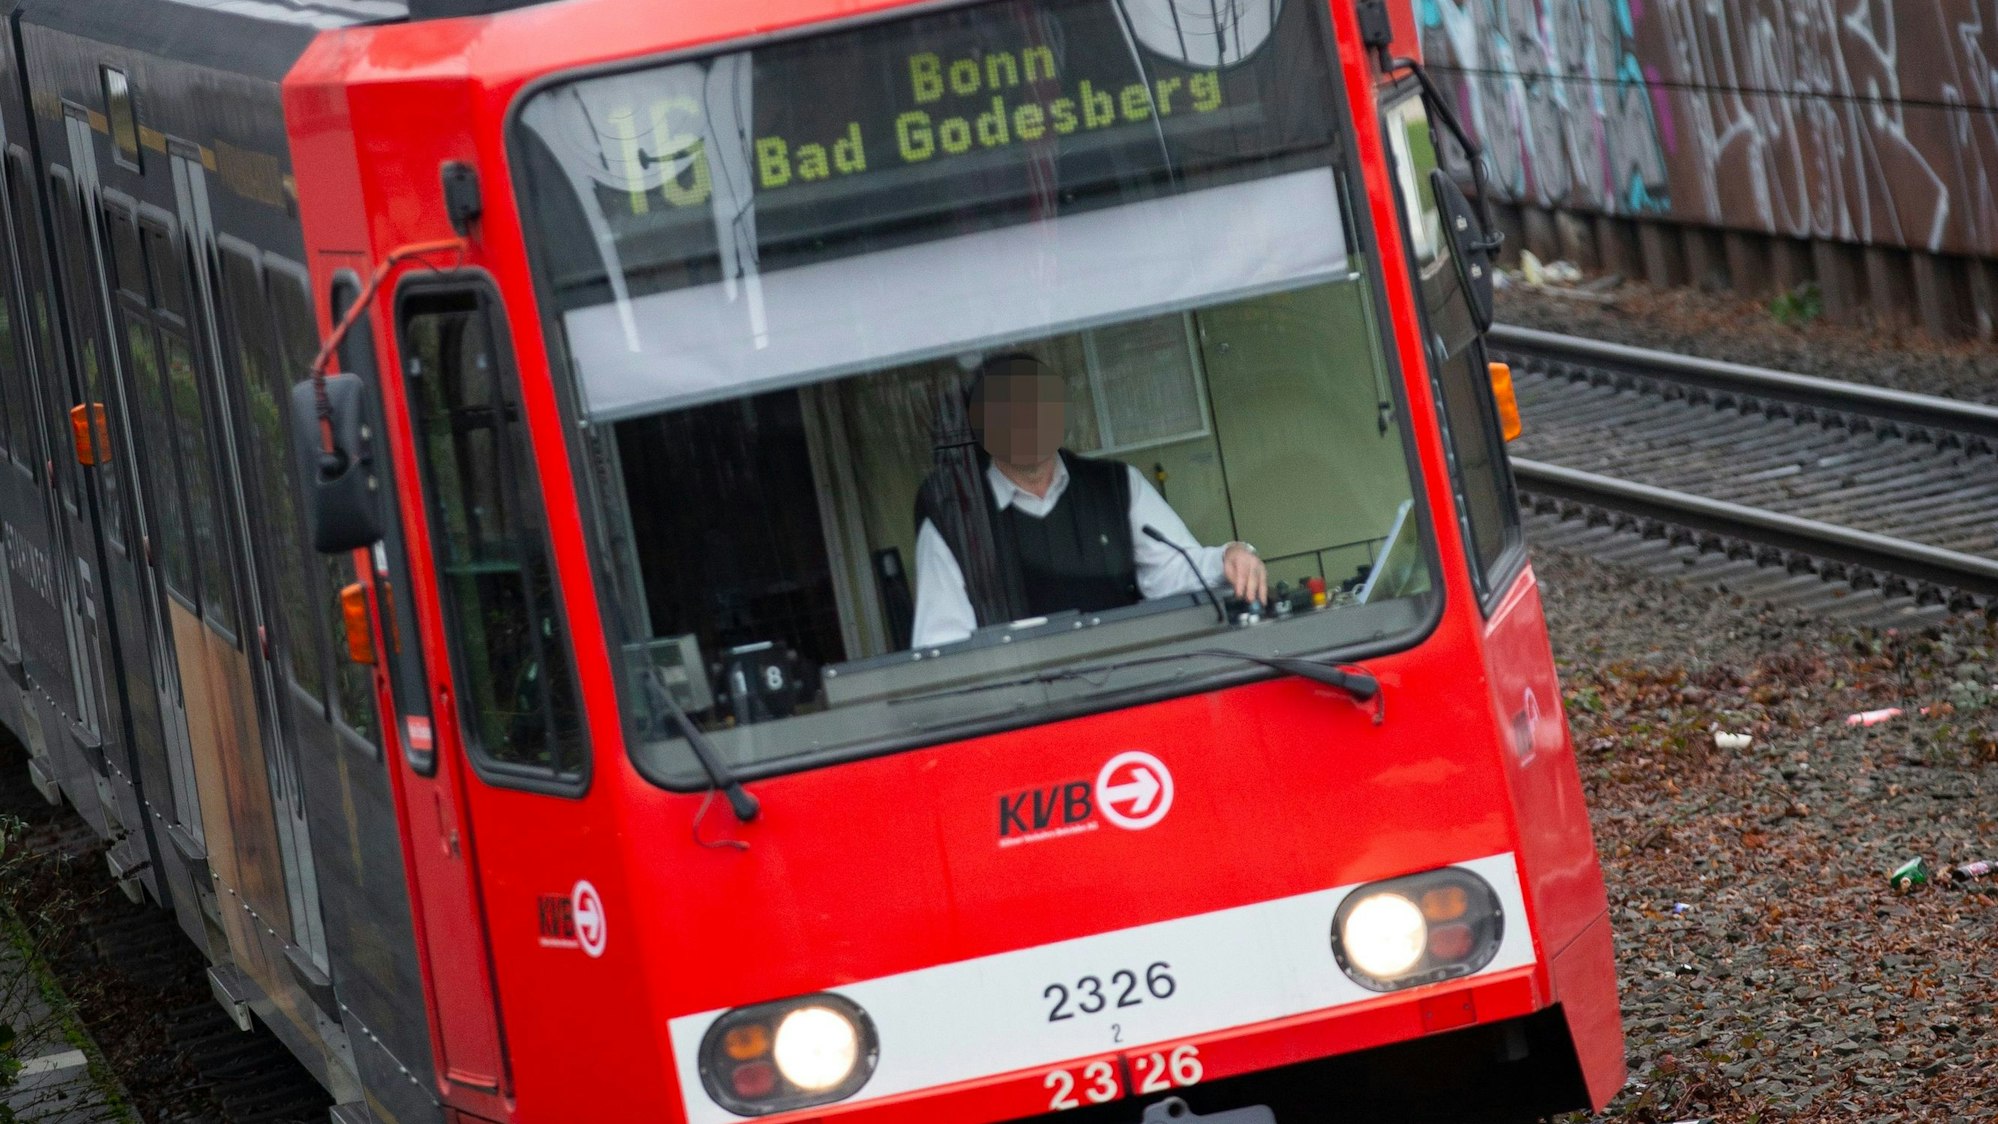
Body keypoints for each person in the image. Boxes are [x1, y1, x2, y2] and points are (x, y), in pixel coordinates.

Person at [911, 353, 1267, 648]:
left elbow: (1174, 572)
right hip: (1023, 716)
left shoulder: (1116, 483)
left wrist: (1229, 557)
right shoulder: (953, 520)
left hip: (1132, 687)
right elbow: (941, 648)